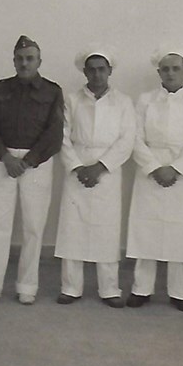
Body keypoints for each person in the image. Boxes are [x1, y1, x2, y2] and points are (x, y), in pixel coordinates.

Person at [0, 35, 63, 306]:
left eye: (30, 58)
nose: (25, 63)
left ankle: (27, 286)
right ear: (13, 60)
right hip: (3, 161)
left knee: (34, 227)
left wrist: (31, 159)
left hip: (36, 164)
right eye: (20, 58)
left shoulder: (52, 91)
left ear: (39, 61)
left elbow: (55, 132)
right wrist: (5, 157)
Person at [125, 49, 183, 312]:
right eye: (165, 69)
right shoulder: (145, 100)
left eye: (176, 68)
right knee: (146, 229)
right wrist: (153, 167)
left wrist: (175, 168)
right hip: (150, 170)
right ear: (158, 72)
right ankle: (141, 288)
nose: (170, 73)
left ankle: (179, 292)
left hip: (182, 173)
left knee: (179, 232)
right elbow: (135, 137)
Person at [54, 47, 135, 308]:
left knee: (107, 228)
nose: (97, 74)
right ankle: (70, 286)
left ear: (110, 71)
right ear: (85, 71)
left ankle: (109, 288)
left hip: (107, 172)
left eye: (102, 69)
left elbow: (126, 140)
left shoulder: (123, 102)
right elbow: (62, 136)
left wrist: (100, 167)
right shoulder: (72, 99)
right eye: (92, 69)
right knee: (72, 227)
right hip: (77, 167)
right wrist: (78, 167)